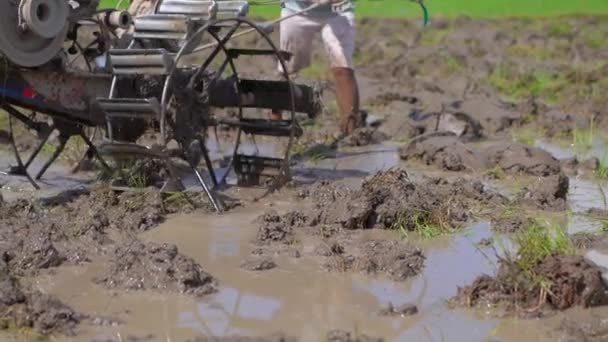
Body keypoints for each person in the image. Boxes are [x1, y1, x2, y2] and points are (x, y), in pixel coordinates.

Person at [271, 0, 363, 137]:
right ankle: (274, 124)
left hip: (338, 13)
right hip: (296, 11)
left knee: (343, 68)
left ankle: (350, 133)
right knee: (287, 68)